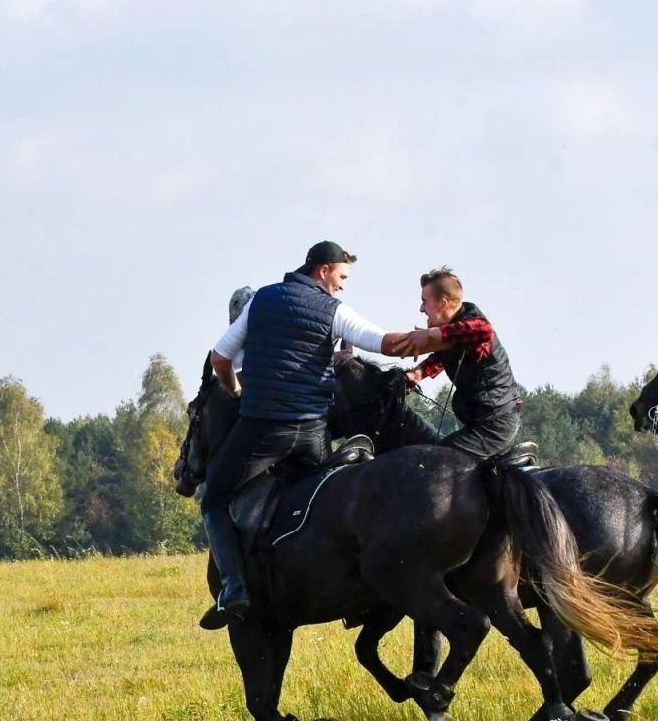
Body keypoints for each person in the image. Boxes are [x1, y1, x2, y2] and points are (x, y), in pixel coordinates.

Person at [199, 241, 421, 629]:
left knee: (214, 499)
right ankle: (356, 593)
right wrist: (439, 339)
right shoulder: (334, 310)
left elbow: (220, 359)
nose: (343, 285)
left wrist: (235, 391)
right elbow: (386, 342)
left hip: (264, 432)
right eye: (342, 276)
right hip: (313, 433)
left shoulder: (262, 301)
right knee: (323, 501)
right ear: (323, 270)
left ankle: (234, 588)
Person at [402, 266, 527, 460]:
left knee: (436, 461)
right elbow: (444, 354)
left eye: (424, 302)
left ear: (442, 304)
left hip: (496, 423)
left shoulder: (474, 325)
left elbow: (484, 330)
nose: (421, 309)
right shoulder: (455, 333)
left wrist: (428, 334)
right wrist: (416, 374)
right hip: (484, 421)